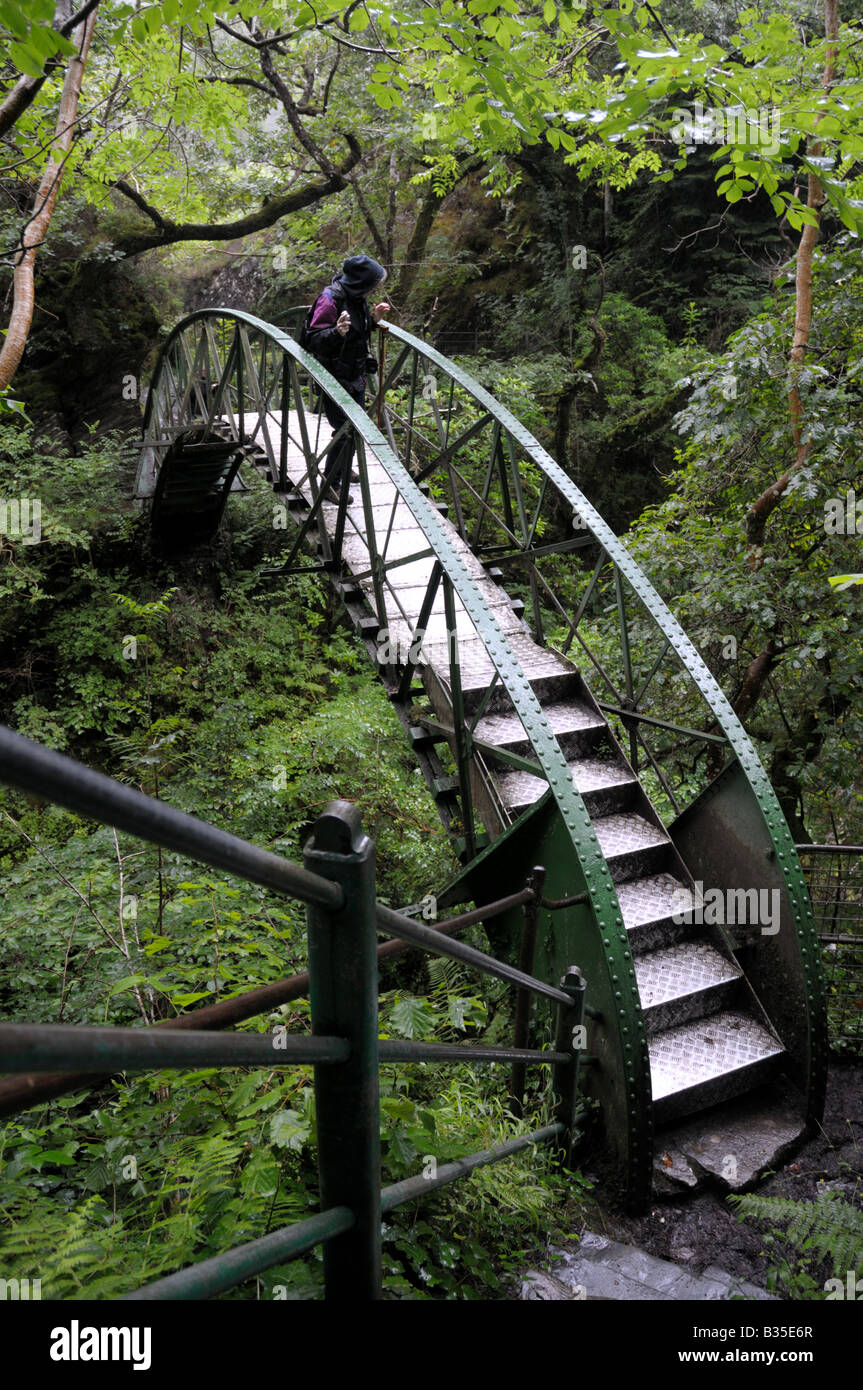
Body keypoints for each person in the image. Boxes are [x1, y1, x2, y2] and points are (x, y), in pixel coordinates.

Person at [304, 254, 390, 504]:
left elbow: (357, 332)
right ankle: (329, 485)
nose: (375, 288)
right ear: (360, 282)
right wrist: (336, 332)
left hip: (354, 373)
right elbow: (311, 339)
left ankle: (343, 467)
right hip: (331, 376)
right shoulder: (330, 300)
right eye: (373, 284)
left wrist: (373, 319)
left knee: (357, 427)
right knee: (345, 430)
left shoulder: (357, 298)